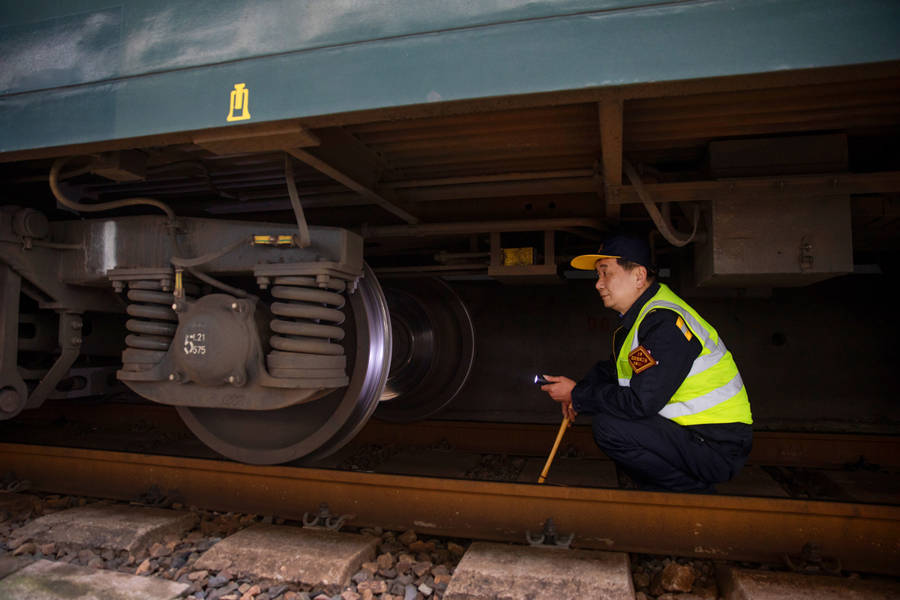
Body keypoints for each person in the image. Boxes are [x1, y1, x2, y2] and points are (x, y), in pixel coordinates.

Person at [541, 234, 752, 492]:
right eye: (598, 275)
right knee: (611, 418)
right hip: (699, 436)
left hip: (716, 444)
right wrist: (578, 394)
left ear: (639, 276)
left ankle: (693, 494)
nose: (598, 284)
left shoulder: (665, 323)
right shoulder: (645, 317)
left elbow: (641, 403)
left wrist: (578, 395)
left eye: (606, 273)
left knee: (610, 427)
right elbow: (613, 371)